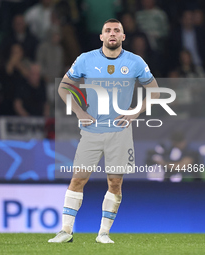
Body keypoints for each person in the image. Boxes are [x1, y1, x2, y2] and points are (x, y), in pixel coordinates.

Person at [48, 19, 160, 244]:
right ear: (101, 37)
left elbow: (155, 91)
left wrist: (135, 112)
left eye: (116, 30)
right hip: (91, 131)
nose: (112, 34)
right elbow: (63, 86)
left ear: (123, 37)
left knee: (114, 183)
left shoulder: (135, 62)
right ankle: (66, 231)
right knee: (78, 179)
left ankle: (103, 233)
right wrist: (79, 112)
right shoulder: (86, 59)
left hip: (120, 132)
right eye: (107, 30)